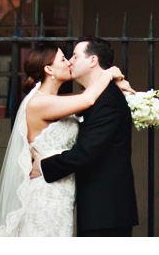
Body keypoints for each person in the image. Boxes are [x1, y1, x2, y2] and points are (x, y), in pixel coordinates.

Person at [0, 42, 129, 237]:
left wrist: (116, 84)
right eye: (63, 59)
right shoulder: (40, 102)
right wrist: (108, 74)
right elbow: (87, 99)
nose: (69, 62)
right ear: (48, 69)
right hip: (46, 190)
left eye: (72, 57)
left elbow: (87, 97)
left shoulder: (58, 100)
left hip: (62, 190)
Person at [31, 36, 139, 237]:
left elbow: (86, 152)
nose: (70, 61)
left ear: (92, 60)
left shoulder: (107, 99)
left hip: (106, 211)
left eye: (74, 55)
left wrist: (44, 166)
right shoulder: (93, 97)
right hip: (95, 209)